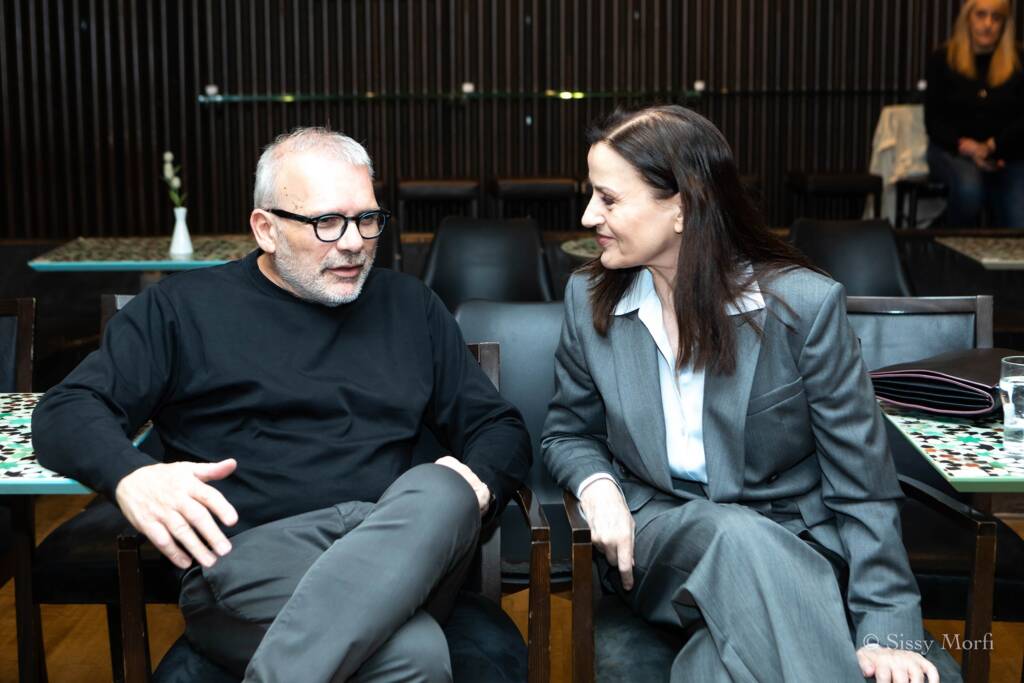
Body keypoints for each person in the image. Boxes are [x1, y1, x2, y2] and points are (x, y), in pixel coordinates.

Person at [33, 127, 531, 682]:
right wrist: (132, 475)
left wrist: (477, 488)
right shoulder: (181, 310)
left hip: (403, 553)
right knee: (415, 653)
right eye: (327, 222)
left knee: (444, 487)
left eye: (367, 219)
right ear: (265, 229)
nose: (353, 242)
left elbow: (499, 426)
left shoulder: (410, 305)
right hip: (251, 562)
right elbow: (65, 409)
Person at [542, 105, 956, 682]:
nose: (589, 215)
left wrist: (887, 631)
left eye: (609, 199)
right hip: (661, 539)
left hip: (798, 542)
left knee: (713, 669)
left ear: (682, 208)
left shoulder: (803, 307)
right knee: (731, 533)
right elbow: (568, 431)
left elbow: (861, 481)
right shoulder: (589, 301)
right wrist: (599, 486)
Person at [925, 0, 1024, 227]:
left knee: (1019, 221)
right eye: (981, 15)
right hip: (953, 150)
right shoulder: (943, 59)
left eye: (996, 17)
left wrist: (992, 147)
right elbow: (934, 121)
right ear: (967, 18)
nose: (988, 24)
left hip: (1007, 154)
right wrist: (969, 147)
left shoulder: (1019, 61)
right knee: (970, 189)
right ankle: (945, 239)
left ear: (1005, 23)